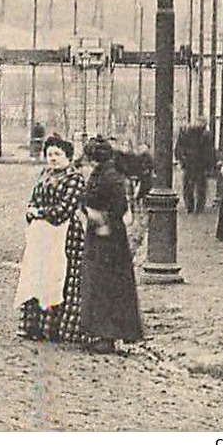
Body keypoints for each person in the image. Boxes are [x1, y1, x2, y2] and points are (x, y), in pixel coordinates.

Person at [15, 135, 87, 342]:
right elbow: (33, 200)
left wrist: (40, 212)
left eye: (58, 154)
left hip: (65, 236)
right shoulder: (44, 175)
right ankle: (33, 326)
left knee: (59, 277)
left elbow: (65, 209)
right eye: (50, 154)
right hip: (41, 236)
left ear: (69, 157)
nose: (53, 158)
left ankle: (55, 328)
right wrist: (31, 211)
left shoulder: (74, 179)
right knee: (37, 276)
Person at [77, 137, 144, 353]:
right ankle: (99, 331)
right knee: (97, 282)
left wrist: (104, 220)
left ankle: (109, 334)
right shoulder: (102, 174)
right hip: (97, 234)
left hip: (110, 238)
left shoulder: (111, 177)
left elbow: (120, 207)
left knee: (108, 284)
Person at [175, 122, 218, 214]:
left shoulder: (185, 133)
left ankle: (190, 206)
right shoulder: (205, 134)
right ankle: (199, 206)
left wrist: (182, 159)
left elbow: (179, 148)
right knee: (200, 186)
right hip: (200, 163)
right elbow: (210, 151)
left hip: (189, 162)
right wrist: (210, 165)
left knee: (188, 185)